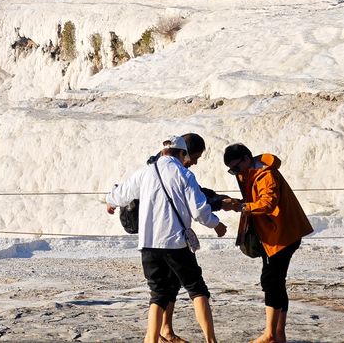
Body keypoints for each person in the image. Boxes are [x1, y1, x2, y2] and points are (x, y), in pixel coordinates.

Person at [107, 135, 227, 343]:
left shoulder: (145, 172)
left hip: (148, 244)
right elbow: (198, 210)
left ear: (163, 152)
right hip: (175, 243)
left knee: (158, 295)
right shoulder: (184, 174)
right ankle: (211, 341)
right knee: (197, 289)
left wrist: (110, 201)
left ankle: (151, 340)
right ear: (182, 153)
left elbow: (121, 194)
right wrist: (216, 224)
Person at [222, 144, 313, 343]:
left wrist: (243, 207)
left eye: (236, 167)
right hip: (273, 235)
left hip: (281, 236)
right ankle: (279, 333)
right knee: (276, 281)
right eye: (232, 170)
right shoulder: (250, 173)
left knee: (271, 281)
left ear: (247, 158)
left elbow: (267, 203)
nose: (235, 173)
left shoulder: (266, 175)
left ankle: (270, 334)